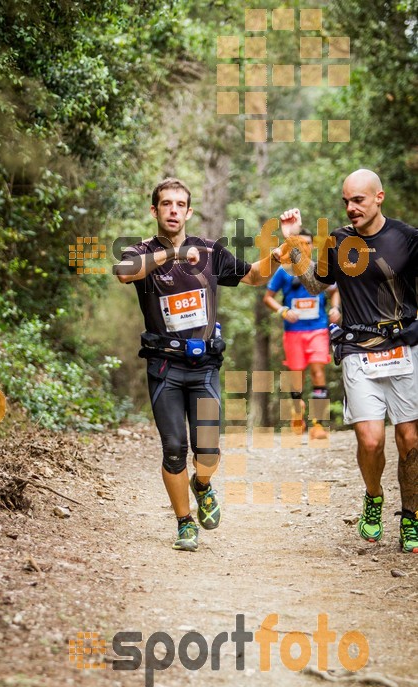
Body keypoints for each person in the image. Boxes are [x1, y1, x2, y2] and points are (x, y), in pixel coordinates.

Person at [114, 177, 301, 552]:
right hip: (164, 366)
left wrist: (283, 250)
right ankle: (185, 523)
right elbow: (124, 271)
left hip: (203, 368)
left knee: (209, 451)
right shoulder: (143, 252)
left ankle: (202, 485)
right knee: (173, 448)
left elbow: (253, 275)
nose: (172, 210)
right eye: (165, 204)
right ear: (155, 210)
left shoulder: (212, 251)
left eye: (179, 204)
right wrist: (175, 255)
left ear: (189, 211)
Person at [280, 169, 418, 552]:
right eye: (346, 201)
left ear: (379, 197)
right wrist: (294, 242)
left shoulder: (407, 239)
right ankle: (373, 498)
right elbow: (315, 284)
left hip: (404, 347)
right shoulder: (339, 241)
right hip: (358, 349)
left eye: (358, 199)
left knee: (409, 440)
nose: (351, 207)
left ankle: (411, 517)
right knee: (370, 440)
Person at [263, 228, 341, 439]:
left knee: (318, 372)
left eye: (307, 243)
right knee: (296, 377)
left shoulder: (320, 268)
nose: (304, 247)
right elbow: (268, 297)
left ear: (312, 246)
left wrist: (335, 309)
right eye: (299, 244)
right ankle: (297, 417)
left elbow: (334, 292)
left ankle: (319, 424)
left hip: (317, 329)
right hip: (294, 332)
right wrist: (283, 311)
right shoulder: (284, 271)